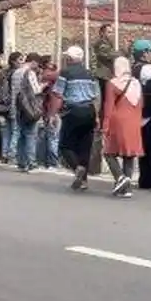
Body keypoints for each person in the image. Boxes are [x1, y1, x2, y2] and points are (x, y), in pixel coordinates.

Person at [50, 45, 101, 191]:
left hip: (73, 111)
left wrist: (53, 114)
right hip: (89, 111)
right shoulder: (90, 74)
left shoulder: (65, 73)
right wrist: (97, 116)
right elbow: (95, 97)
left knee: (65, 146)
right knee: (85, 146)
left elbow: (58, 95)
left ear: (70, 59)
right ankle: (83, 181)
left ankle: (77, 168)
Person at [100, 55, 141, 198]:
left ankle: (120, 177)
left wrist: (105, 126)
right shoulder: (136, 83)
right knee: (128, 154)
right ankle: (127, 188)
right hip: (134, 121)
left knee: (108, 152)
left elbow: (109, 107)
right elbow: (141, 104)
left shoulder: (113, 84)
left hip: (118, 121)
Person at [130, 39, 151, 189]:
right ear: (144, 53)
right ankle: (149, 178)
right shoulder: (148, 70)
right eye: (150, 52)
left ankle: (145, 177)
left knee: (144, 148)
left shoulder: (132, 68)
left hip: (137, 112)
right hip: (149, 113)